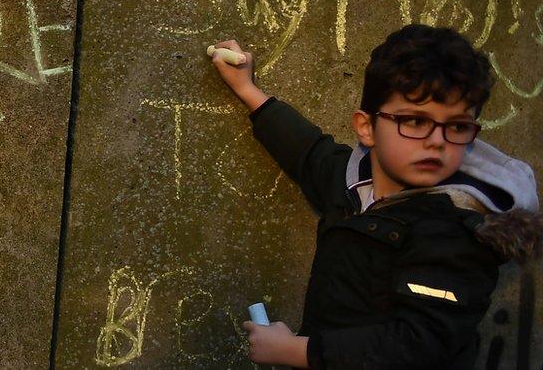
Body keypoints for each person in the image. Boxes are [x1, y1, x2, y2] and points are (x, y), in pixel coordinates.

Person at [209, 24, 542, 369]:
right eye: (415, 121)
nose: (437, 141)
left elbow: (419, 346)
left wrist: (297, 351)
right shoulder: (356, 185)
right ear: (366, 128)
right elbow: (307, 152)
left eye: (457, 126)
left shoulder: (454, 233)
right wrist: (248, 90)